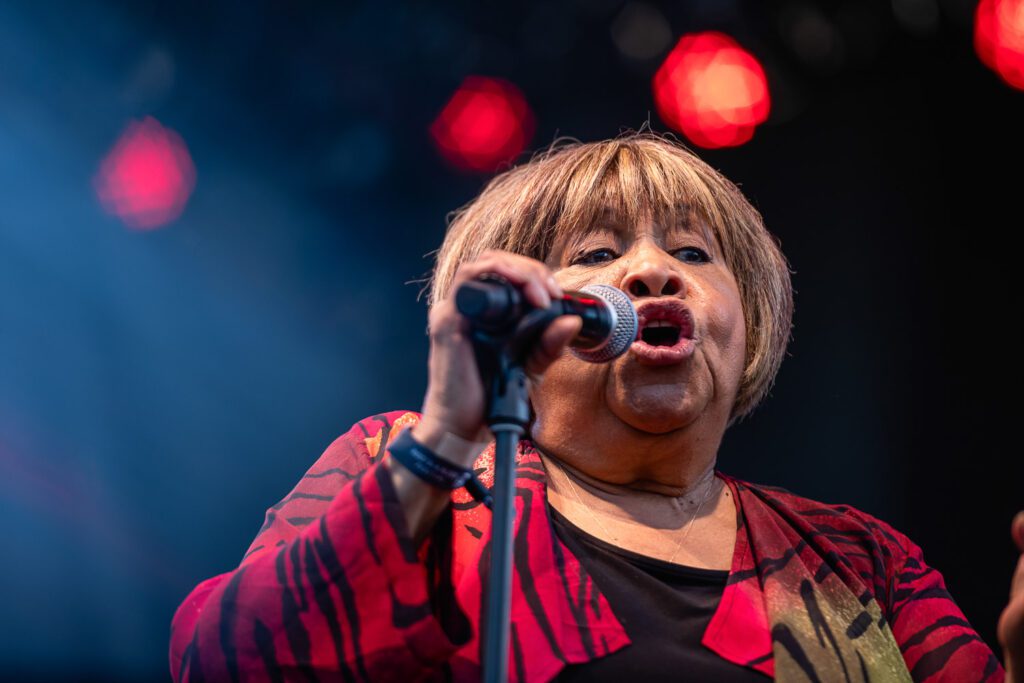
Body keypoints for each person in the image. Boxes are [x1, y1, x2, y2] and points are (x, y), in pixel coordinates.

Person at [169, 134, 1023, 682]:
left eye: (693, 250)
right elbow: (223, 661)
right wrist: (441, 440)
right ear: (523, 309)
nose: (652, 271)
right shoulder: (419, 473)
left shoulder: (856, 558)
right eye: (597, 252)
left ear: (749, 321)